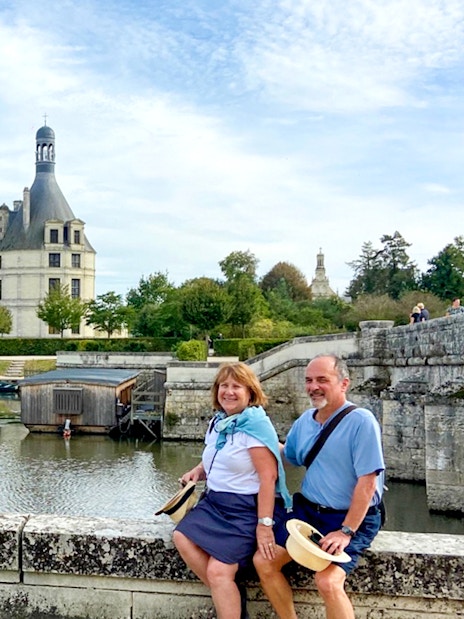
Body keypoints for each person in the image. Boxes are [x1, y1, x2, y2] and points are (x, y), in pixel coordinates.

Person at [253, 354, 385, 619]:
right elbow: (287, 457)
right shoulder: (305, 421)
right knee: (263, 562)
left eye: (322, 380)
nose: (314, 386)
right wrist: (252, 439)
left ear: (343, 383)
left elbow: (368, 482)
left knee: (327, 582)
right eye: (309, 380)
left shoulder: (361, 421)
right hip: (309, 512)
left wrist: (346, 531)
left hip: (348, 518)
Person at [173, 361, 292, 619]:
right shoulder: (220, 422)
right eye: (223, 386)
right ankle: (229, 596)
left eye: (236, 386)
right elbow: (218, 456)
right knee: (181, 537)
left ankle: (230, 604)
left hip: (245, 510)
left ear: (250, 392)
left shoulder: (255, 425)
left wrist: (264, 525)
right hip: (215, 504)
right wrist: (199, 471)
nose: (228, 391)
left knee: (219, 572)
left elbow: (268, 477)